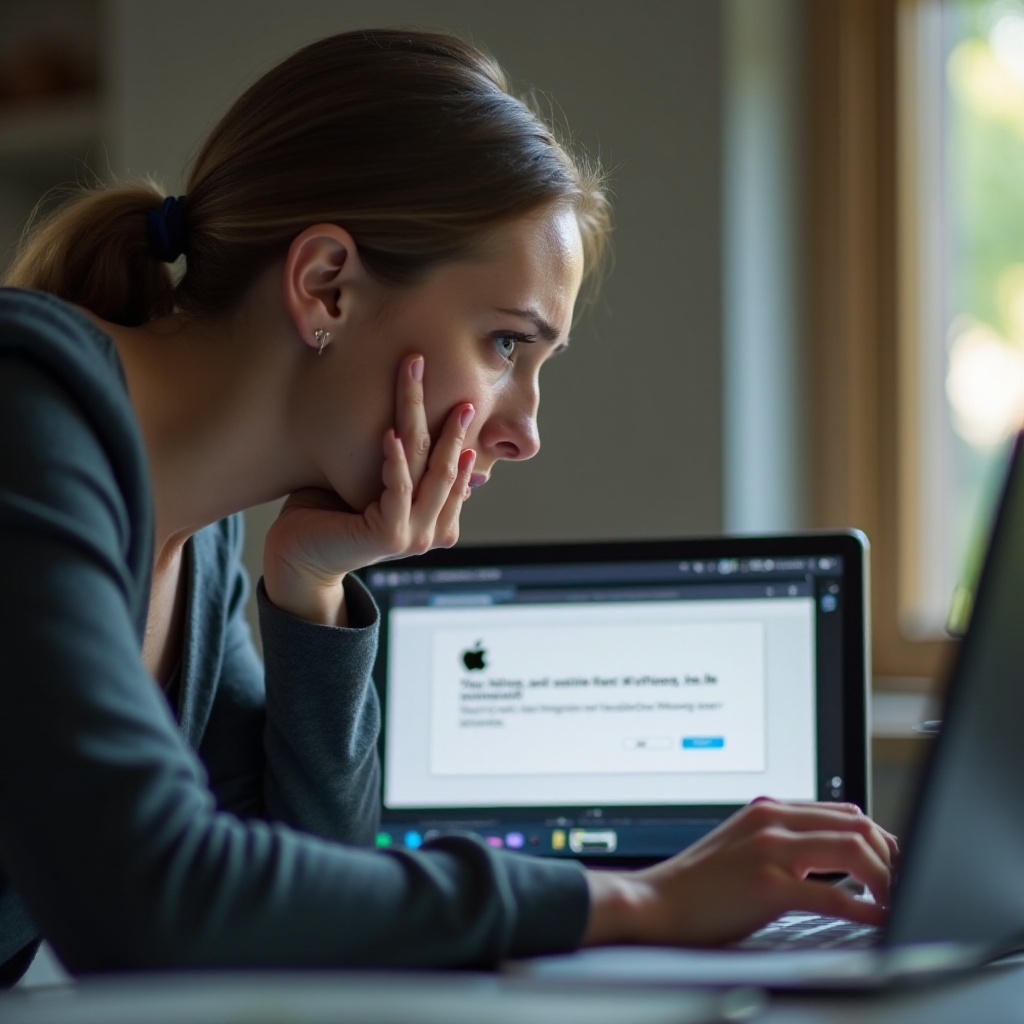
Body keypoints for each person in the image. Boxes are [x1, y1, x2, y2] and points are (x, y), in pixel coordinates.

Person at [0, 28, 896, 984]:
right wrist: (638, 900)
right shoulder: (27, 416)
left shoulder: (198, 535)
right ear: (325, 284)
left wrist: (310, 589)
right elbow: (153, 901)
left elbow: (312, 906)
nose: (524, 432)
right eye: (507, 345)